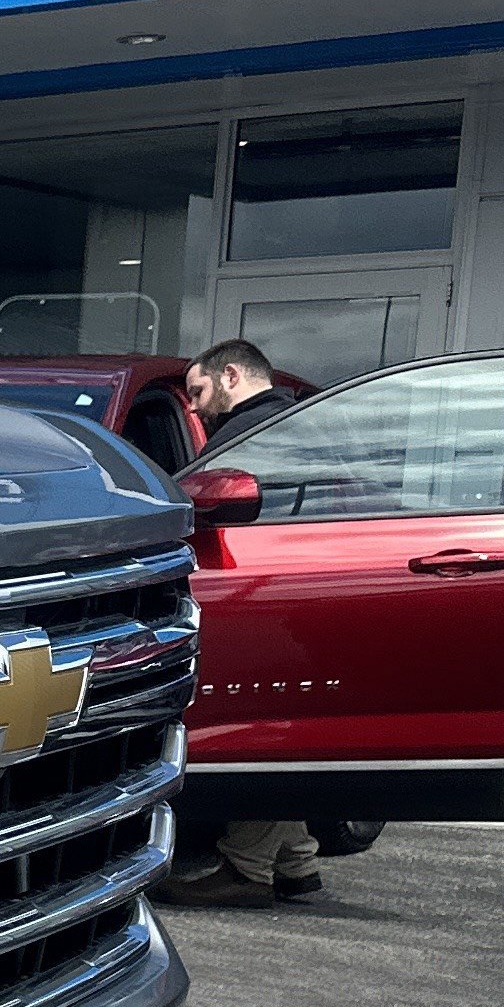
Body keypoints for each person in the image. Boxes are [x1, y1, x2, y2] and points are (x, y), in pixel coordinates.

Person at [160, 338, 323, 908]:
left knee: (263, 727)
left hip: (262, 593)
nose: (194, 407)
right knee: (282, 720)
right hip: (302, 589)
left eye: (198, 390)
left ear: (231, 375)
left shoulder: (251, 434)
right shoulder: (299, 424)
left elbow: (206, 507)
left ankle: (246, 870)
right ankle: (298, 863)